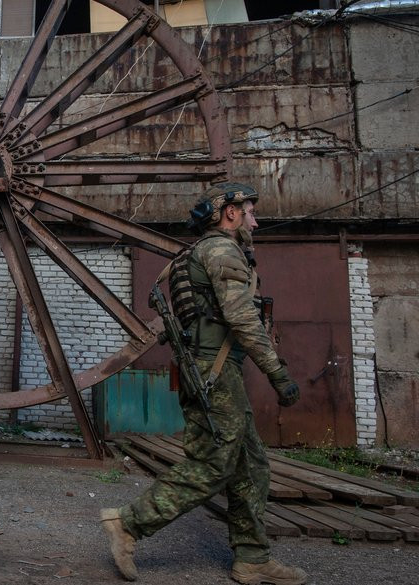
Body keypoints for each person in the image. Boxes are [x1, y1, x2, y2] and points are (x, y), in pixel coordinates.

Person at [100, 183, 308, 585]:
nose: (254, 219)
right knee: (215, 462)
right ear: (227, 212)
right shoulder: (221, 251)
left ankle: (252, 558)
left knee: (251, 465)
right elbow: (241, 316)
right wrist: (277, 372)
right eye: (248, 211)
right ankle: (128, 523)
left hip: (212, 368)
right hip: (215, 372)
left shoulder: (193, 254)